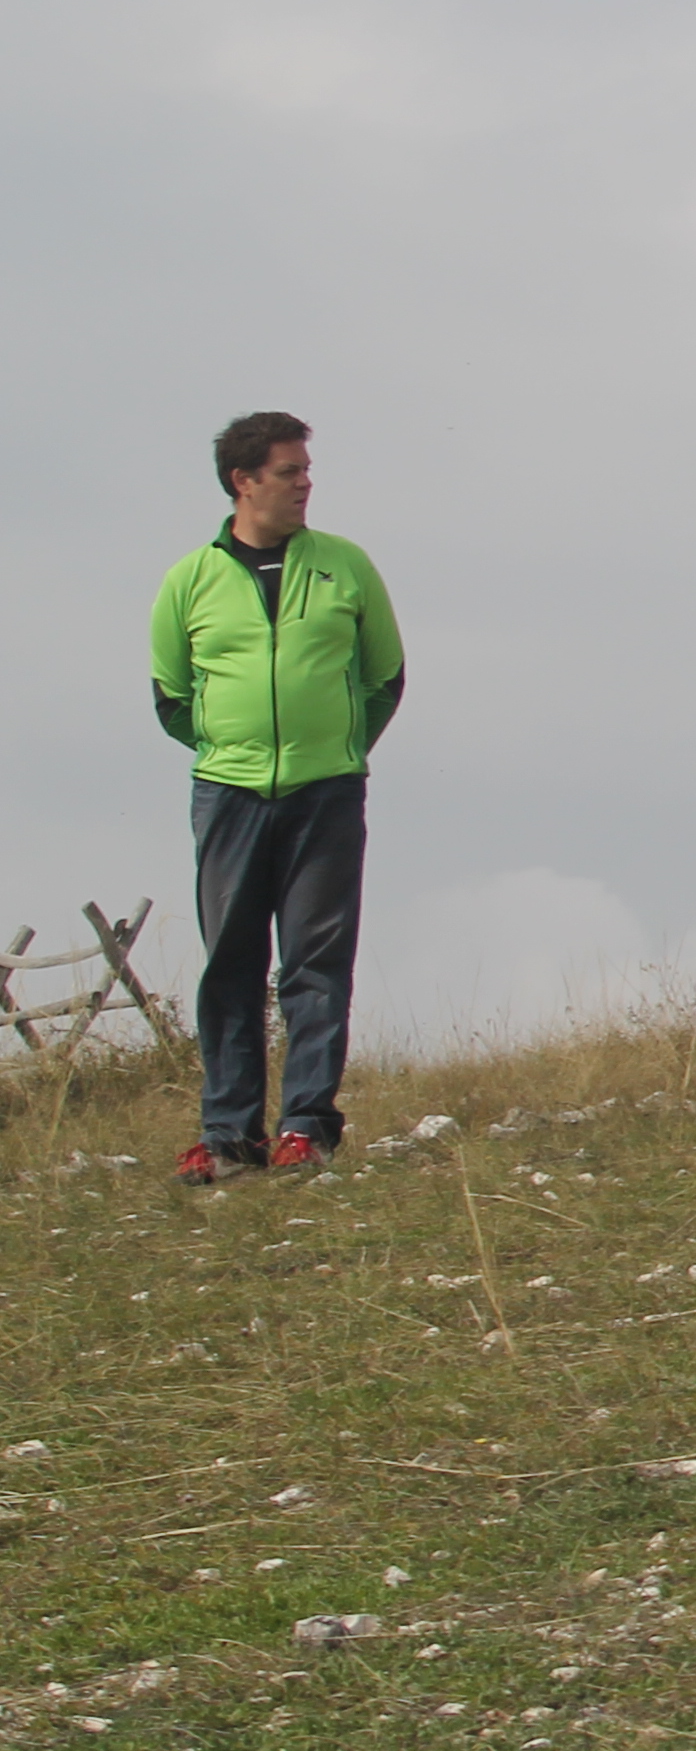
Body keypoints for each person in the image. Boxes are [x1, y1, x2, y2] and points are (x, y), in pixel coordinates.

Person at [149, 412, 403, 1182]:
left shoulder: (345, 567)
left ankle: (307, 1128)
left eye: (305, 469)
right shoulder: (189, 579)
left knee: (316, 964)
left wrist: (340, 750)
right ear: (244, 481)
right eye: (289, 471)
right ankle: (228, 1136)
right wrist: (230, 752)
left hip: (325, 796)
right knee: (230, 964)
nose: (305, 483)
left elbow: (384, 677)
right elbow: (170, 696)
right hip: (227, 799)